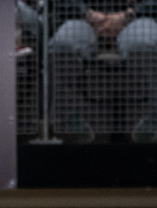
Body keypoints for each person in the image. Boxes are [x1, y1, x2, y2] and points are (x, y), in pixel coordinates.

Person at [48, 0, 157, 142]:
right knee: (63, 44)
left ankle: (153, 119)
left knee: (143, 44)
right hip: (81, 19)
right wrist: (86, 13)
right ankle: (65, 119)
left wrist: (129, 15)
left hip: (139, 19)